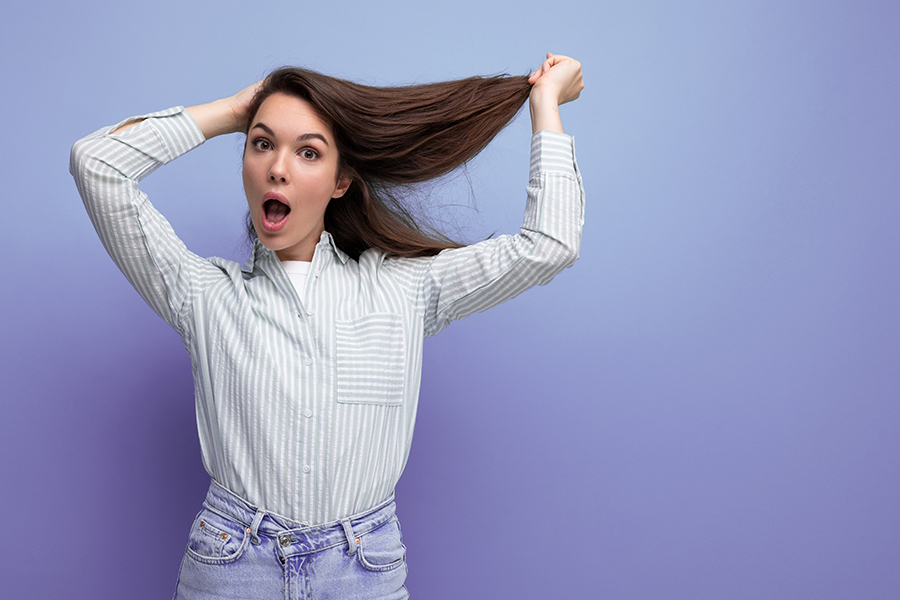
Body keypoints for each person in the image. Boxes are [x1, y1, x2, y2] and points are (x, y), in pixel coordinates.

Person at [70, 52, 584, 599]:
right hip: (231, 563)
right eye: (262, 143)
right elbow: (97, 164)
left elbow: (549, 246)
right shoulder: (202, 294)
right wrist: (232, 110)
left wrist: (544, 104)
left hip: (362, 567)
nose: (278, 168)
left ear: (341, 181)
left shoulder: (406, 288)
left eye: (308, 152)